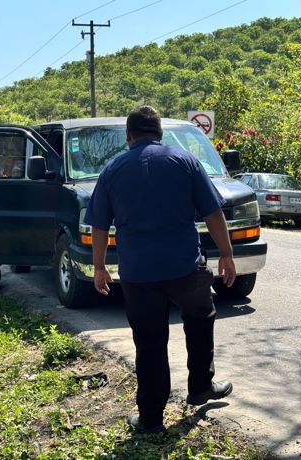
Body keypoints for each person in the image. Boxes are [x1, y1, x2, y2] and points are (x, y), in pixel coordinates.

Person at [85, 106, 237, 434]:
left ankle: (152, 419)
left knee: (150, 342)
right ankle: (200, 386)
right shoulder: (185, 161)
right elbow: (213, 213)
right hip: (184, 268)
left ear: (129, 136)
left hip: (138, 275)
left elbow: (99, 225)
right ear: (160, 132)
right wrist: (226, 254)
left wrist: (99, 266)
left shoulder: (112, 169)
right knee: (200, 319)